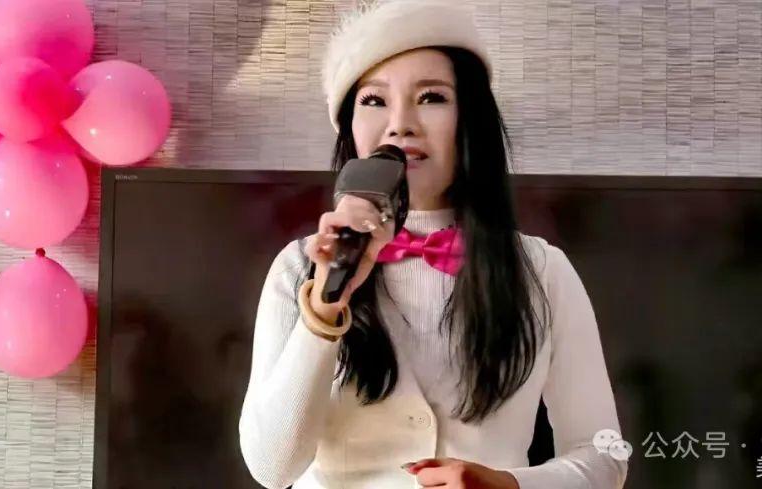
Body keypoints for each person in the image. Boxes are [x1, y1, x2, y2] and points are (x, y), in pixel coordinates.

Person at [238, 1, 627, 488]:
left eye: (431, 97)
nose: (400, 124)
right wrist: (325, 302)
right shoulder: (299, 267)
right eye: (374, 101)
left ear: (470, 120)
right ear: (350, 127)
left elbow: (606, 454)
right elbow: (272, 468)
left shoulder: (541, 270)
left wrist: (510, 484)